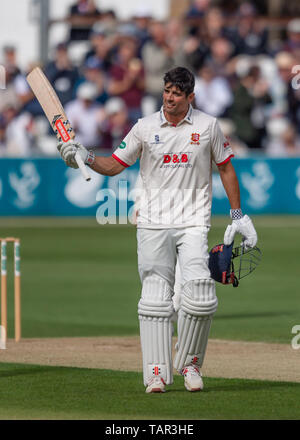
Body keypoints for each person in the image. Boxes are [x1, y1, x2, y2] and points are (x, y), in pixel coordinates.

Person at [57, 67, 258, 393]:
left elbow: (225, 168)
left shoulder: (207, 126)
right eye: (167, 91)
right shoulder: (145, 127)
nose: (169, 98)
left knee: (202, 296)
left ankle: (190, 364)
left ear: (190, 97)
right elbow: (114, 165)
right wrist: (86, 155)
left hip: (193, 222)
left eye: (177, 93)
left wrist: (237, 215)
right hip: (152, 222)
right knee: (155, 299)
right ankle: (155, 372)